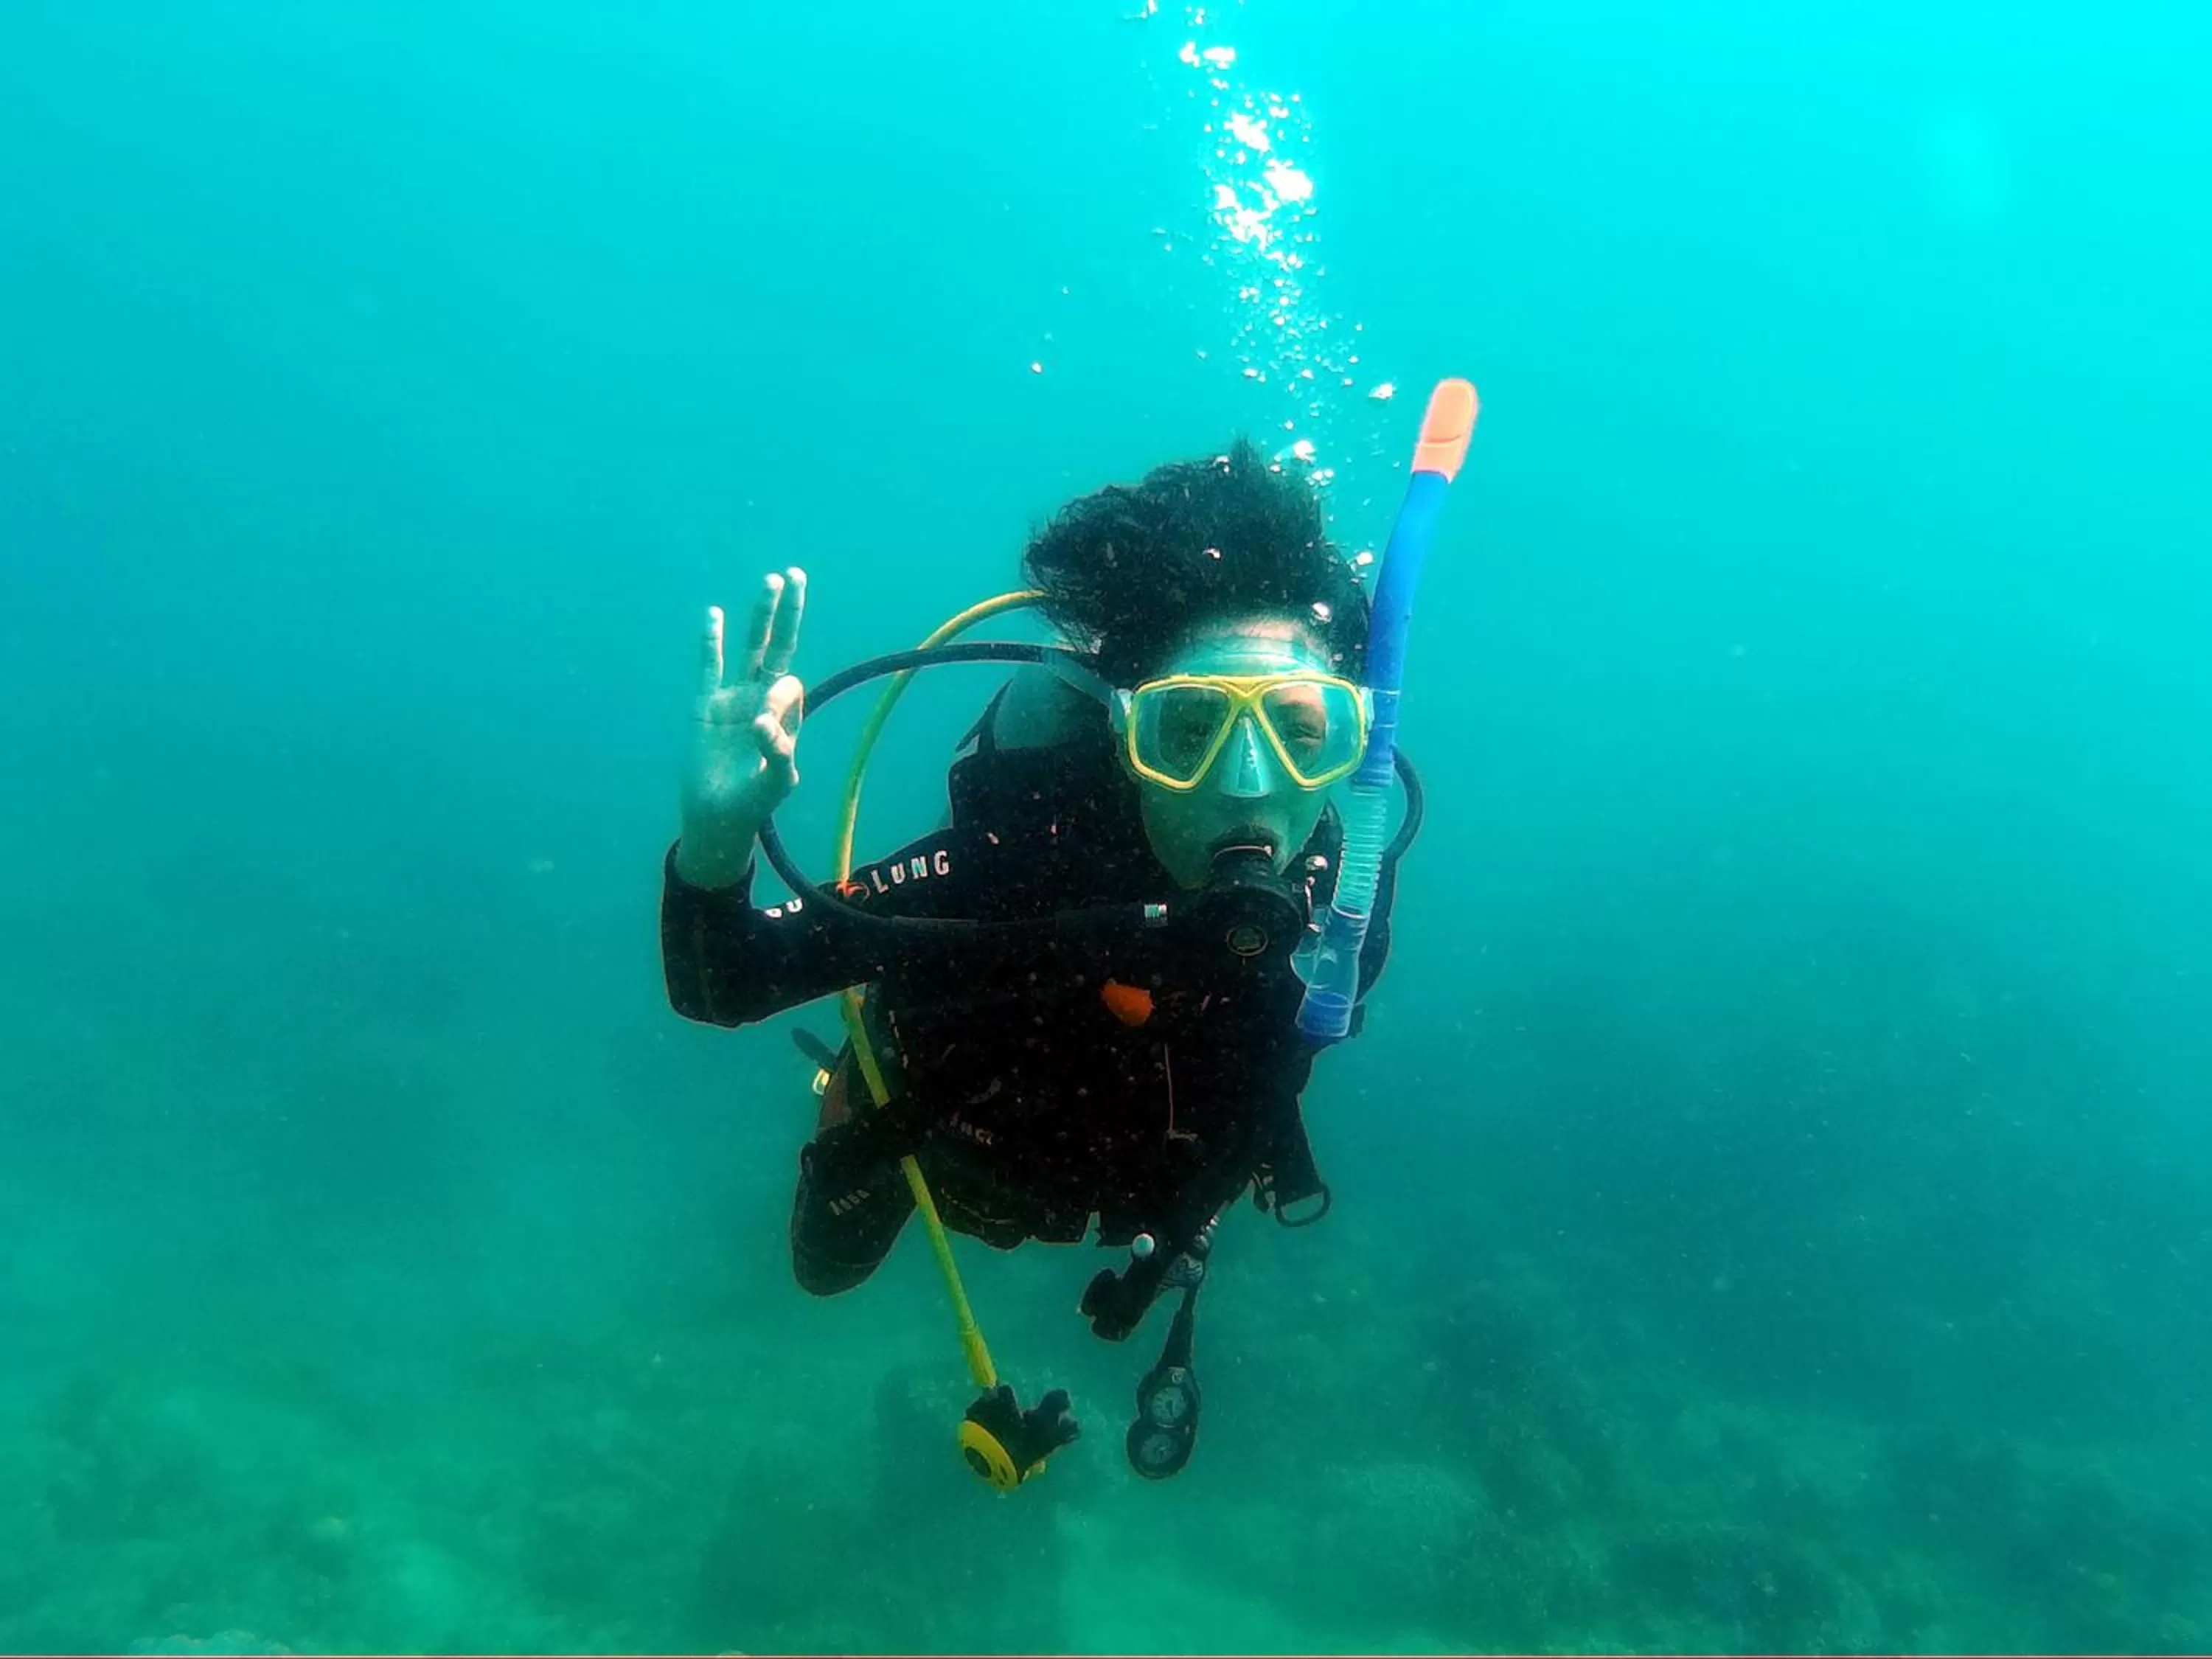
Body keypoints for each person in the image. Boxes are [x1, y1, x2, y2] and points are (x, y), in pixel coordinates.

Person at [659, 439, 1407, 1481]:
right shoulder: (1015, 866)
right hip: (946, 1154)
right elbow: (724, 980)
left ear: (1356, 746)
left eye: (1301, 729)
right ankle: (845, 1088)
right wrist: (715, 844)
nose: (1248, 786)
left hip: (1153, 1203)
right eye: (1186, 728)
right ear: (1118, 733)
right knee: (822, 1271)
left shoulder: (1345, 894)